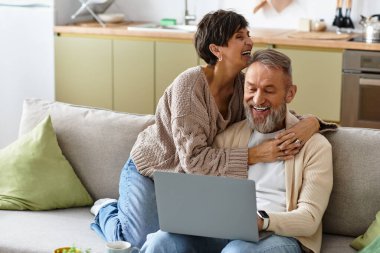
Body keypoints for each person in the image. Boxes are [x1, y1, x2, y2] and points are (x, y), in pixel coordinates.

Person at [90, 10, 331, 249]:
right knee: (136, 240)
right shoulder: (190, 85)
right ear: (217, 49)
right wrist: (257, 154)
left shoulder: (243, 86)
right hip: (153, 167)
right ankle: (106, 211)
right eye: (239, 36)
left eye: (248, 34)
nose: (249, 41)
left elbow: (273, 106)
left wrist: (313, 123)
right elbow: (193, 161)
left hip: (185, 181)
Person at [140, 49, 334, 253]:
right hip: (223, 231)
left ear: (290, 93)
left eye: (269, 90)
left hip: (278, 235)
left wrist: (262, 221)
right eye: (252, 89)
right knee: (160, 241)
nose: (258, 100)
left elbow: (309, 219)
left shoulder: (316, 147)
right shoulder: (228, 137)